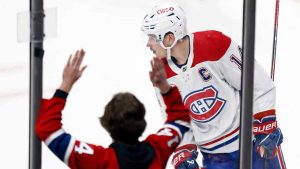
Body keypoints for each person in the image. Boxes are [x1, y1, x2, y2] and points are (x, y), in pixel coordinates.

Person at [141, 2, 286, 169]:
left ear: (169, 38)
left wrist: (265, 123)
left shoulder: (215, 45)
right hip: (215, 159)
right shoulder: (162, 74)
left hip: (253, 144)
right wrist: (183, 152)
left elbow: (257, 83)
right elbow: (176, 118)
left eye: (152, 37)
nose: (148, 44)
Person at [35, 49, 191, 169]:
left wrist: (66, 84)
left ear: (107, 124)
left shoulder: (100, 161)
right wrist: (164, 87)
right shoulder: (158, 149)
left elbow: (47, 129)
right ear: (141, 122)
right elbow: (180, 119)